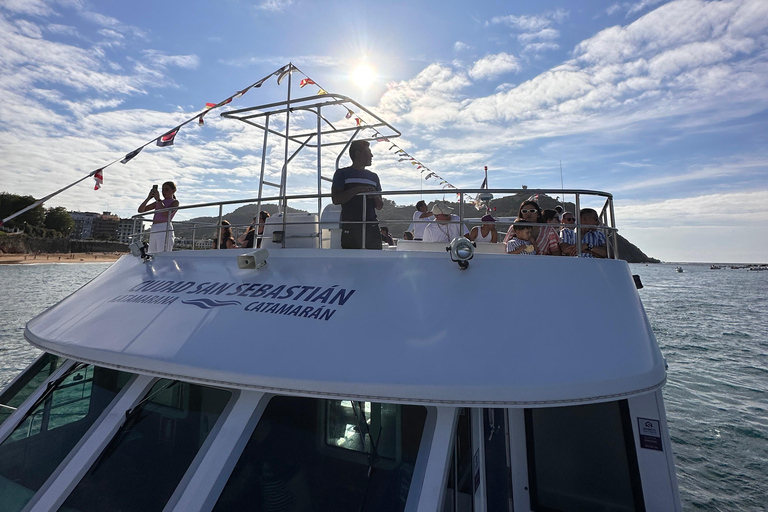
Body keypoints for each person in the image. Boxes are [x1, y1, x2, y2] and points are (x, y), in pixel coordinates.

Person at [331, 140, 383, 249]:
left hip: (372, 226)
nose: (372, 155)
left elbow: (379, 206)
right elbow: (336, 199)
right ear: (358, 153)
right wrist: (358, 190)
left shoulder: (374, 177)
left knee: (375, 261)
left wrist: (375, 195)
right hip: (351, 227)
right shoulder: (342, 174)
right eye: (369, 152)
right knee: (351, 263)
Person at [138, 181, 178, 253]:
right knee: (152, 252)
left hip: (164, 227)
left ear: (173, 191)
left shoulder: (175, 202)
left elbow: (167, 214)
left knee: (163, 251)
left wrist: (158, 200)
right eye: (162, 190)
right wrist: (148, 198)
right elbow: (141, 210)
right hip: (154, 228)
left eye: (167, 189)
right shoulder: (158, 203)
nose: (164, 192)